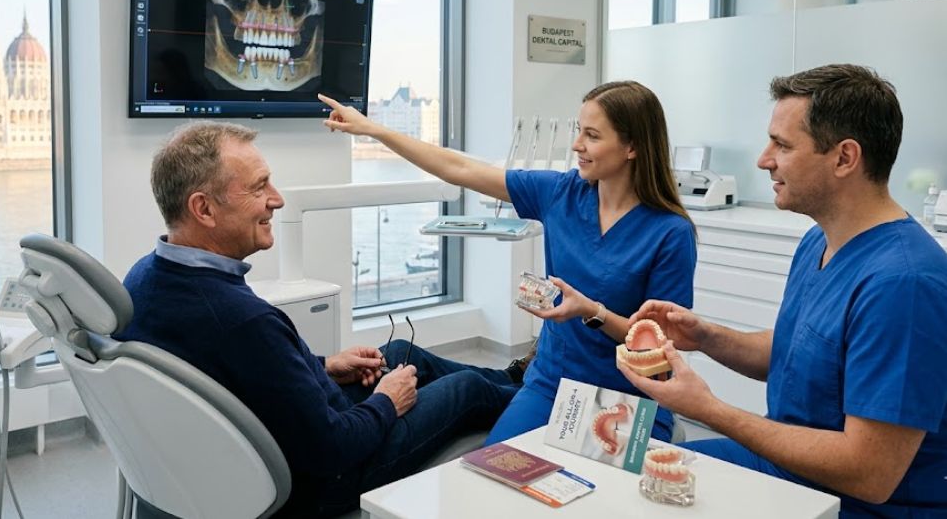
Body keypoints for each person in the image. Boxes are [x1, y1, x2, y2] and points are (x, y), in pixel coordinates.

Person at [116, 121, 520, 517]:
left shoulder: (142, 280)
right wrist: (387, 400)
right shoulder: (243, 321)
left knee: (400, 351)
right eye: (259, 187)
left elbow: (243, 372)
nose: (277, 199)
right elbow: (333, 449)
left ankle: (514, 377)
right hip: (321, 480)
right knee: (466, 389)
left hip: (267, 439)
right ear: (204, 208)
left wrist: (325, 366)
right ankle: (540, 396)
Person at [620, 64, 947, 517]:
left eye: (783, 145)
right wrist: (706, 336)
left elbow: (869, 474)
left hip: (850, 505)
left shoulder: (904, 284)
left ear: (844, 158)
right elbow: (798, 353)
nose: (763, 159)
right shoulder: (819, 241)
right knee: (629, 476)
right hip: (786, 470)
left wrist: (711, 410)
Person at [320, 81, 697, 445]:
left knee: (593, 486)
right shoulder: (561, 193)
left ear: (632, 146)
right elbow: (459, 168)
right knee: (496, 474)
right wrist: (373, 130)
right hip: (552, 383)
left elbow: (660, 345)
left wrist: (593, 312)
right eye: (579, 131)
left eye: (592, 136)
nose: (577, 145)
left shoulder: (669, 233)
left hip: (627, 396)